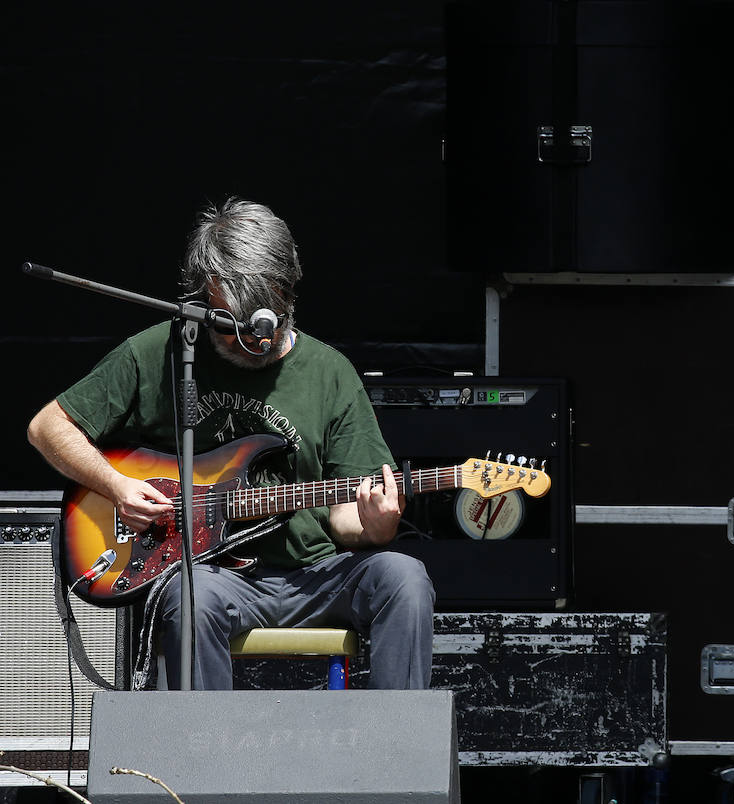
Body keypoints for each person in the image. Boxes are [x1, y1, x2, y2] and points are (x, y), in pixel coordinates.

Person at [27, 198, 435, 690]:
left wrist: (375, 524)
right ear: (203, 297)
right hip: (212, 577)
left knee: (404, 579)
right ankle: (203, 761)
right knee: (189, 595)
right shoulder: (159, 352)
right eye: (238, 326)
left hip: (318, 575)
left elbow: (346, 520)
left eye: (270, 320)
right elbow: (47, 427)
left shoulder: (331, 373)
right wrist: (115, 486)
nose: (258, 342)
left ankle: (392, 756)